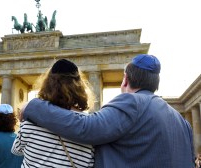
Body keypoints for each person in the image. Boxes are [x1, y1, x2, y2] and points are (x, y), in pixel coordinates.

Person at [22, 54, 195, 167]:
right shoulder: (183, 123)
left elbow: (86, 128)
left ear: (125, 80)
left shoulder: (132, 102)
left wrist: (33, 106)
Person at [12, 59, 95, 167]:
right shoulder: (90, 126)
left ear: (48, 84)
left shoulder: (30, 120)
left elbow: (16, 150)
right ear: (79, 86)